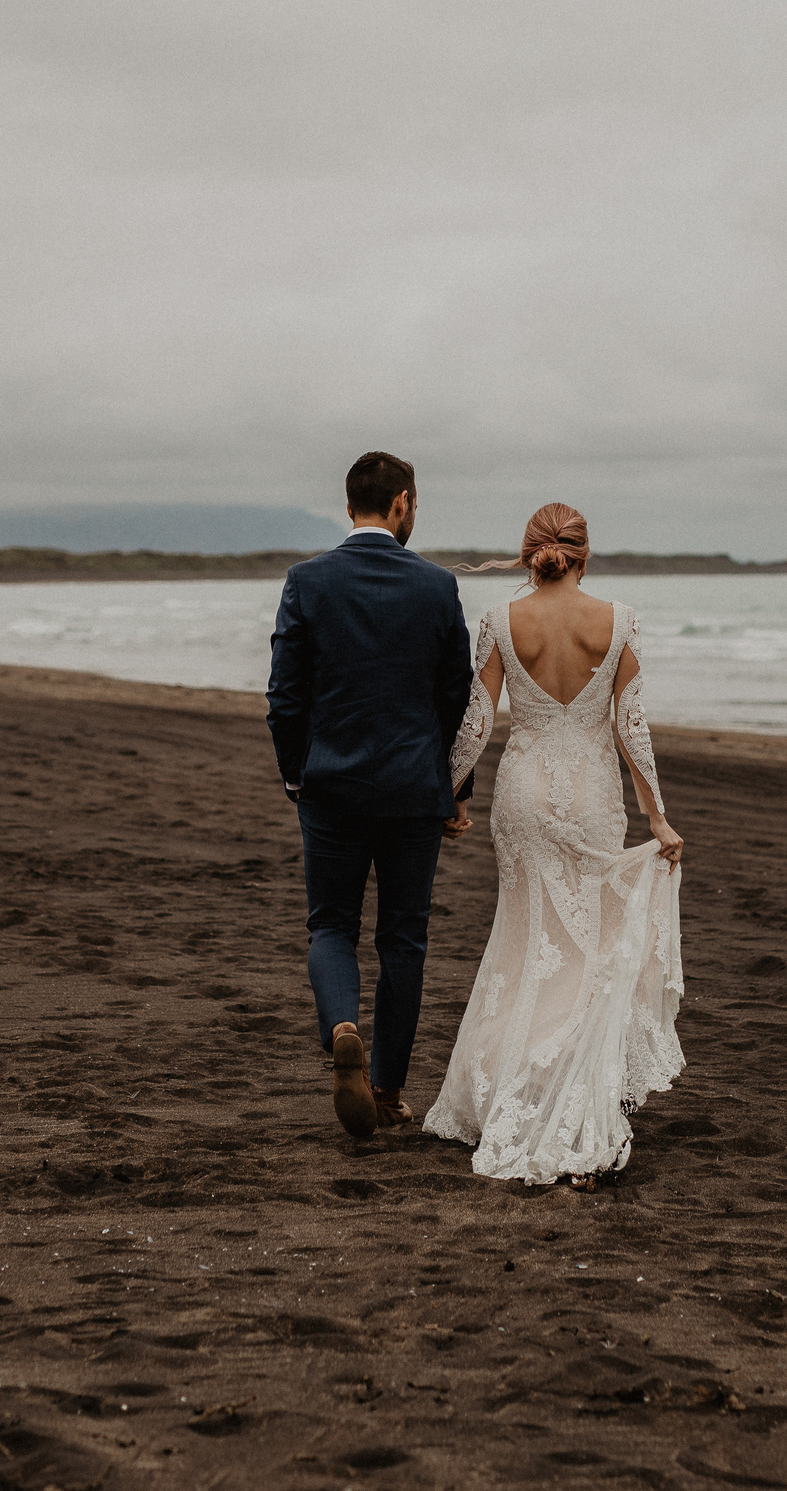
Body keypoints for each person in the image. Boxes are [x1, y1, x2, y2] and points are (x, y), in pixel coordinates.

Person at [423, 503, 686, 1187]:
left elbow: (476, 724)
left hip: (525, 793)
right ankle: (566, 1084)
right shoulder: (619, 621)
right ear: (585, 554)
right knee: (588, 940)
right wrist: (656, 816)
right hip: (592, 795)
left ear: (529, 553)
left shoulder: (501, 622)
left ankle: (512, 1081)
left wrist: (447, 791)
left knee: (525, 934)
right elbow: (632, 730)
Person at [265, 451, 475, 1138]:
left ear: (349, 501)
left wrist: (298, 771)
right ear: (403, 503)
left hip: (331, 784)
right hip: (413, 790)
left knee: (330, 925)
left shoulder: (307, 581)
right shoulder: (437, 586)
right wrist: (454, 787)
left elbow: (284, 696)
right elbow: (457, 700)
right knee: (404, 940)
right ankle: (385, 1090)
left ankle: (342, 1024)